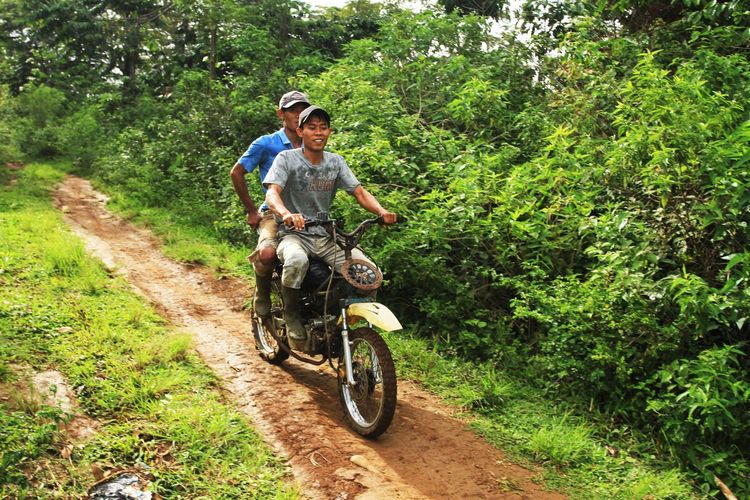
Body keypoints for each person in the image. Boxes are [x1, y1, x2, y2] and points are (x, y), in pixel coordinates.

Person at [264, 105, 397, 350]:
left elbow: (358, 192)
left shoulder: (336, 162)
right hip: (294, 234)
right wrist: (286, 214)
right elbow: (272, 192)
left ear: (329, 132)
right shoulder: (286, 159)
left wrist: (381, 211)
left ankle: (344, 324)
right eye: (312, 127)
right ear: (300, 130)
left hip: (326, 234)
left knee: (368, 272)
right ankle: (292, 315)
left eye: (323, 128)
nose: (318, 132)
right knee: (295, 261)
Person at [230, 91, 310, 318]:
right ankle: (262, 293)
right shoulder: (266, 144)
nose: (298, 114)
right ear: (280, 114)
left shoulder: (312, 142)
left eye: (302, 110)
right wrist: (251, 210)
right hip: (273, 214)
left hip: (308, 214)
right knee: (266, 254)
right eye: (292, 110)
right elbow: (237, 172)